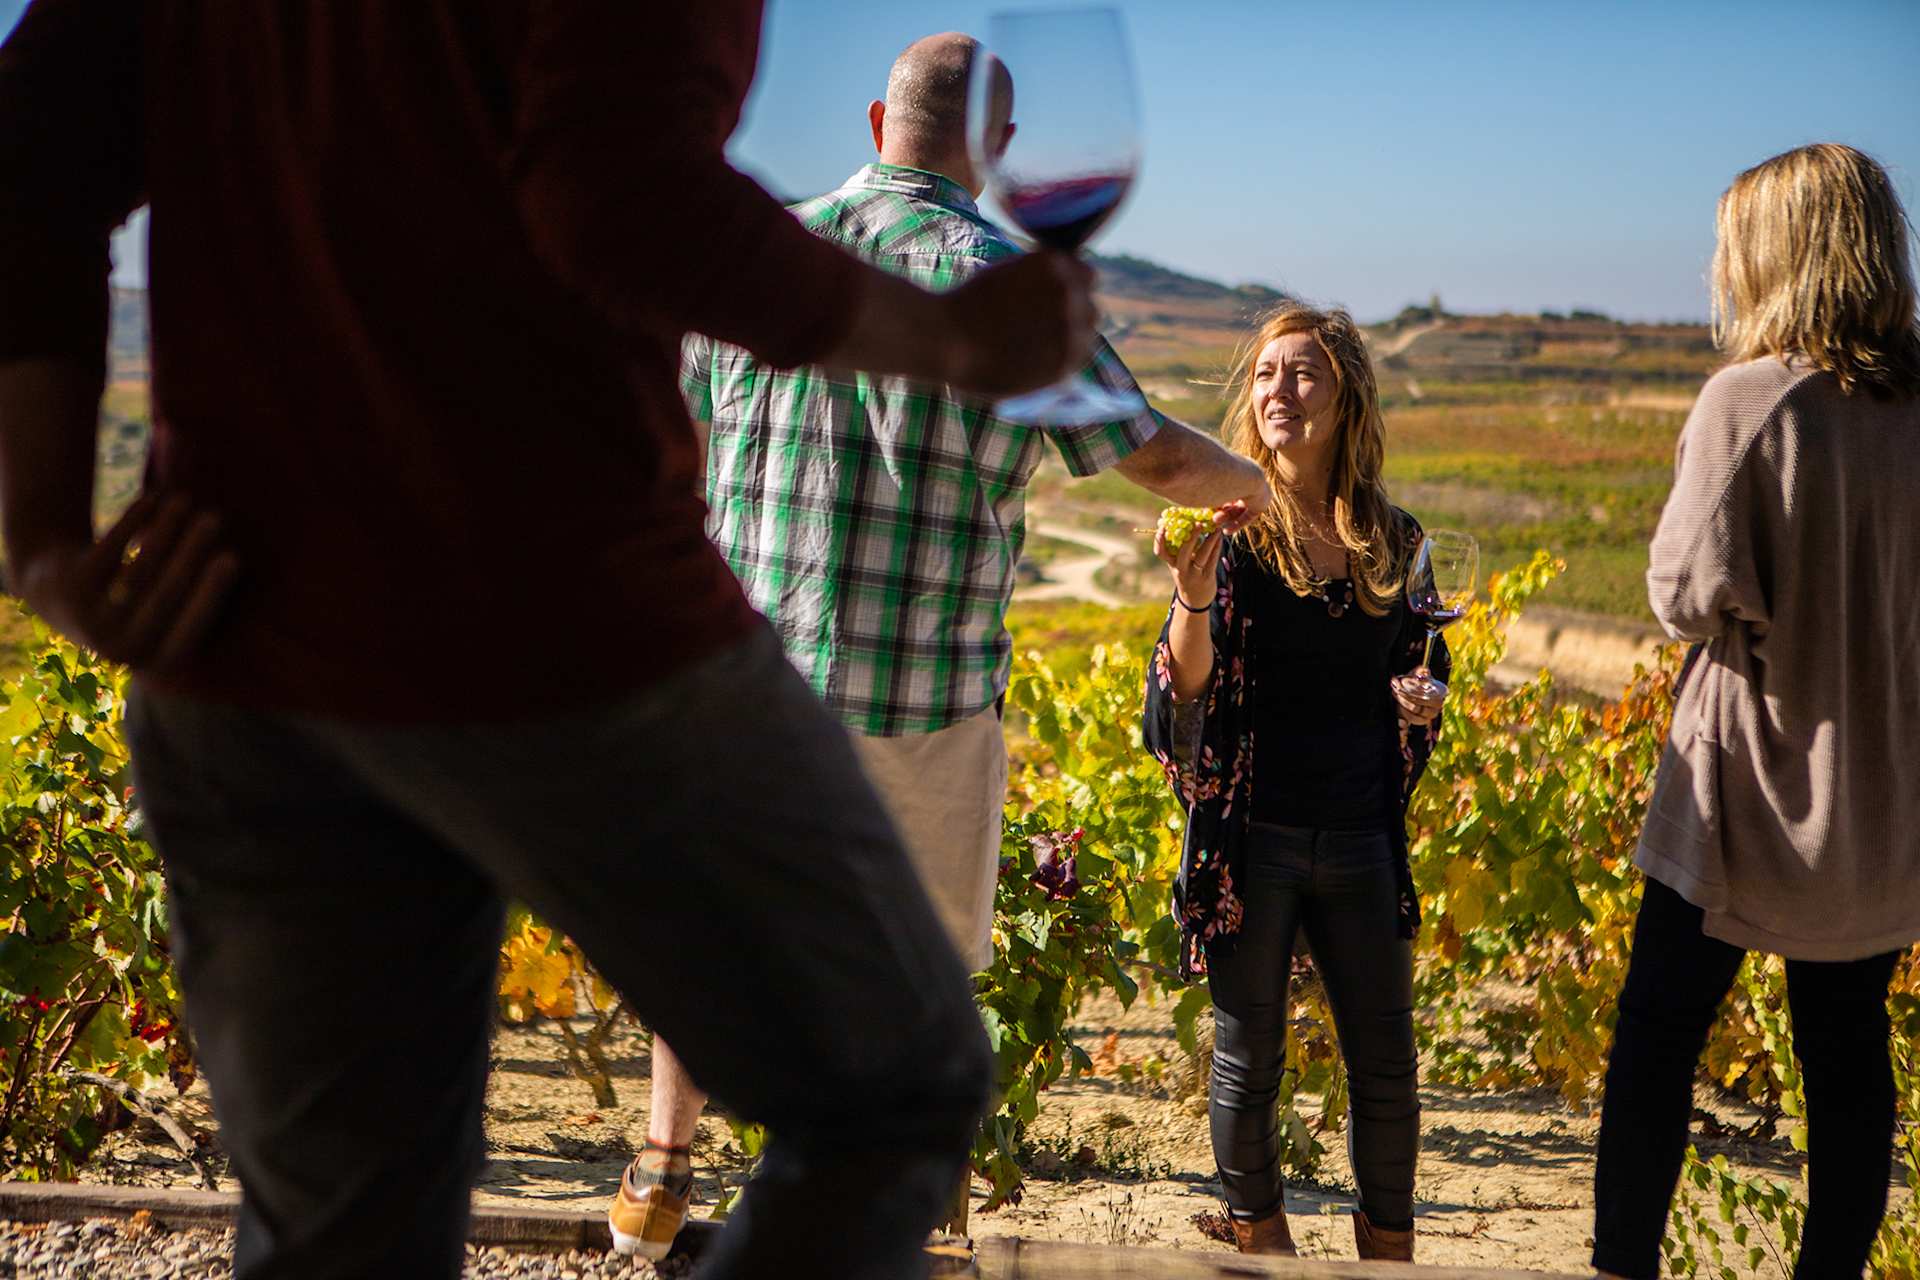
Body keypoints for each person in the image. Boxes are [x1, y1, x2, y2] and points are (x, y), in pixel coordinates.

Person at [0, 5, 1109, 1278]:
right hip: (562, 625)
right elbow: (619, 196)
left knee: (338, 1233)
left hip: (242, 635)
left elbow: (30, 146)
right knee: (895, 1088)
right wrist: (956, 335)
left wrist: (40, 535)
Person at [615, 31, 1273, 1258]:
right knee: (904, 995)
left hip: (753, 684)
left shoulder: (763, 262)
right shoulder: (1008, 289)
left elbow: (671, 440)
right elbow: (1157, 457)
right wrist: (1274, 492)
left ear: (878, 122)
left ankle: (663, 1162)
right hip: (920, 698)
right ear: (1002, 153)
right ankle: (866, 1224)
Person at [1591, 143, 1920, 1280]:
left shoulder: (1753, 399)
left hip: (1748, 783)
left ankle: (1621, 1265)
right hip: (1884, 787)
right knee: (1844, 1050)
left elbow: (1683, 594)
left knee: (1657, 1034)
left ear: (1780, 252)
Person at [1141, 303, 1450, 1263]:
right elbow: (1179, 690)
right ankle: (1264, 1253)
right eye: (1268, 373)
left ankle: (1386, 1258)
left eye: (1304, 372)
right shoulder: (1228, 533)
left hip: (1359, 835)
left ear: (1345, 394)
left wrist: (1423, 701)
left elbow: (1426, 672)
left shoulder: (1396, 543)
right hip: (1254, 842)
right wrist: (1192, 597)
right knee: (1246, 1066)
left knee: (1388, 1071)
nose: (1281, 390)